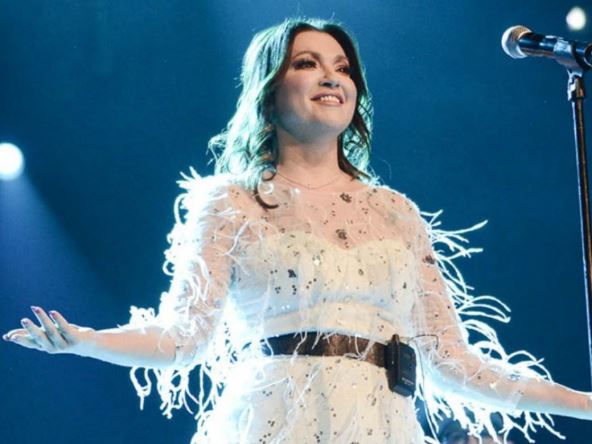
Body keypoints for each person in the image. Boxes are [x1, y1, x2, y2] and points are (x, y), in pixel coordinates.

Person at [3, 17, 592, 444]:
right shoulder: (231, 203)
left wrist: (584, 404)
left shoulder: (397, 213)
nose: (330, 76)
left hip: (381, 424)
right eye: (307, 63)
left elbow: (457, 365)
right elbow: (184, 338)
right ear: (269, 88)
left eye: (342, 67)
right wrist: (87, 340)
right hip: (274, 420)